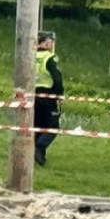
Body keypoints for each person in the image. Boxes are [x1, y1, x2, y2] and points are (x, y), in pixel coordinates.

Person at [33, 31, 63, 167]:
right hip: (48, 95)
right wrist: (59, 94)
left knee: (38, 125)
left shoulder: (31, 56)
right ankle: (39, 148)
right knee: (52, 127)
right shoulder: (50, 57)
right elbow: (56, 77)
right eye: (51, 41)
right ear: (45, 42)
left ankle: (39, 157)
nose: (52, 44)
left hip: (34, 94)